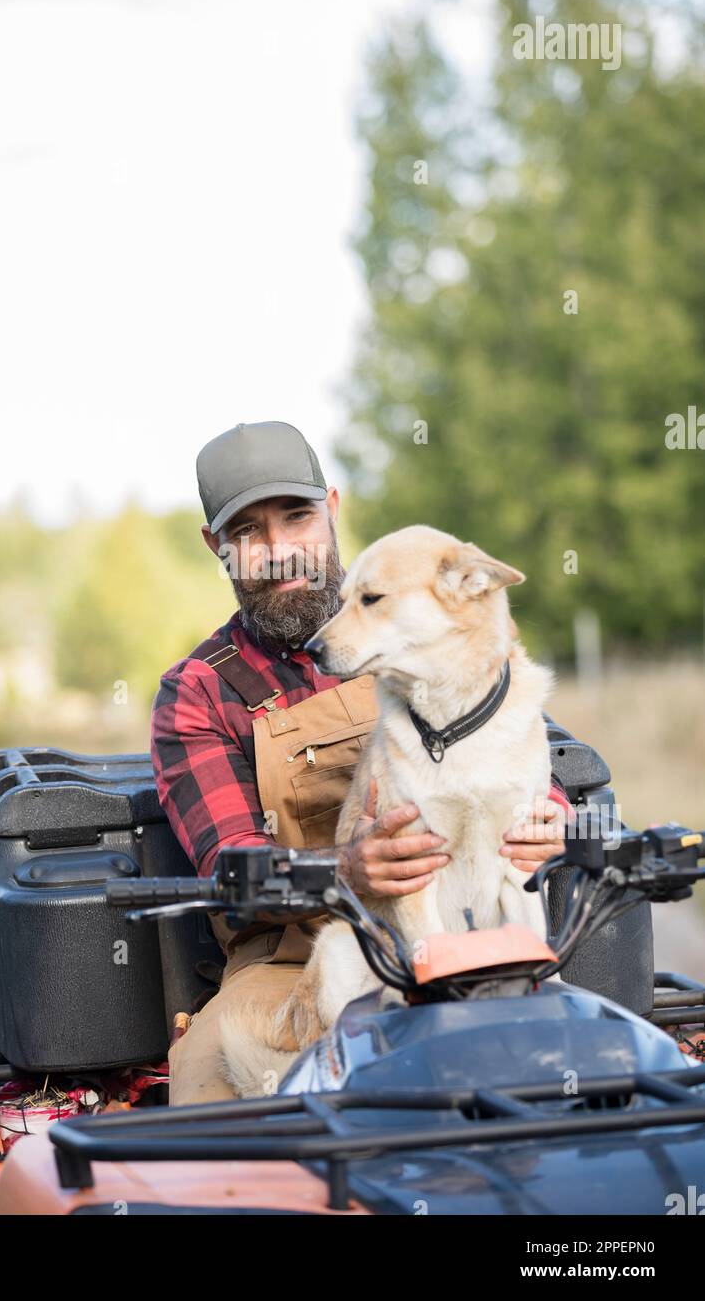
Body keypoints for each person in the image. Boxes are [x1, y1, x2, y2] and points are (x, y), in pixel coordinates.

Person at [150, 420, 572, 1104]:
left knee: (601, 1057)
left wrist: (548, 818)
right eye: (248, 533)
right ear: (216, 548)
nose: (281, 549)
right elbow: (232, 870)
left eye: (296, 516)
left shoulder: (419, 614)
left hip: (465, 929)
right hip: (292, 956)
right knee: (209, 1080)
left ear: (333, 510)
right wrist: (346, 869)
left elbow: (524, 746)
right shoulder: (199, 691)